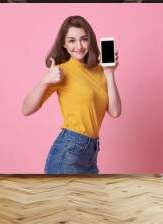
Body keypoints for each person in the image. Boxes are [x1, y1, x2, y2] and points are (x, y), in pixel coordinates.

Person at [21, 15, 121, 174]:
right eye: (72, 40)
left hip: (91, 153)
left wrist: (109, 72)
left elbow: (115, 112)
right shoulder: (62, 71)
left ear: (90, 41)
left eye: (83, 39)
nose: (79, 46)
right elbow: (26, 109)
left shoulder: (100, 71)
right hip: (69, 150)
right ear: (64, 44)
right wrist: (45, 80)